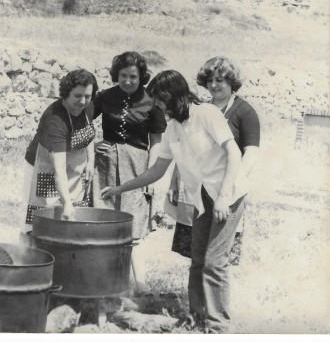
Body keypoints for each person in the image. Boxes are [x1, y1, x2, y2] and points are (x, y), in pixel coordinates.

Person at [102, 70, 244, 333]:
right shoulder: (173, 128)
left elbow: (234, 154)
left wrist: (224, 197)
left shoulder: (207, 114)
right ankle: (197, 318)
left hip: (228, 194)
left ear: (173, 96)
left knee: (214, 262)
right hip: (202, 199)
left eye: (159, 100)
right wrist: (119, 188)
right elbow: (156, 171)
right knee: (198, 261)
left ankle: (219, 328)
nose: (157, 106)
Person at [169, 57, 260, 265]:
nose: (213, 85)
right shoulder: (200, 109)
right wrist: (174, 181)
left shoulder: (245, 112)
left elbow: (251, 153)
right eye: (209, 80)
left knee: (217, 256)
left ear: (231, 81)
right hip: (201, 189)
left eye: (219, 80)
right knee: (197, 253)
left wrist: (231, 188)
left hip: (227, 190)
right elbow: (187, 149)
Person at [93, 51, 167, 294]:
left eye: (133, 76)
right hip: (106, 164)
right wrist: (91, 144)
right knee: (105, 222)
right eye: (123, 76)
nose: (127, 81)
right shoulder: (104, 97)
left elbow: (156, 141)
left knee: (133, 226)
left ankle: (141, 285)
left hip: (137, 166)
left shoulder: (152, 102)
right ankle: (107, 282)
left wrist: (152, 174)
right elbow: (80, 122)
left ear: (141, 76)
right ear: (116, 75)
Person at [23, 69, 98, 229]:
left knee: (75, 216)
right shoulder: (55, 121)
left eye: (87, 96)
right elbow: (59, 169)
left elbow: (89, 130)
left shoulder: (88, 107)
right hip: (47, 170)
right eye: (77, 96)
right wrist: (66, 203)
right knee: (44, 219)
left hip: (74, 170)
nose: (83, 101)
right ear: (65, 93)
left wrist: (91, 160)